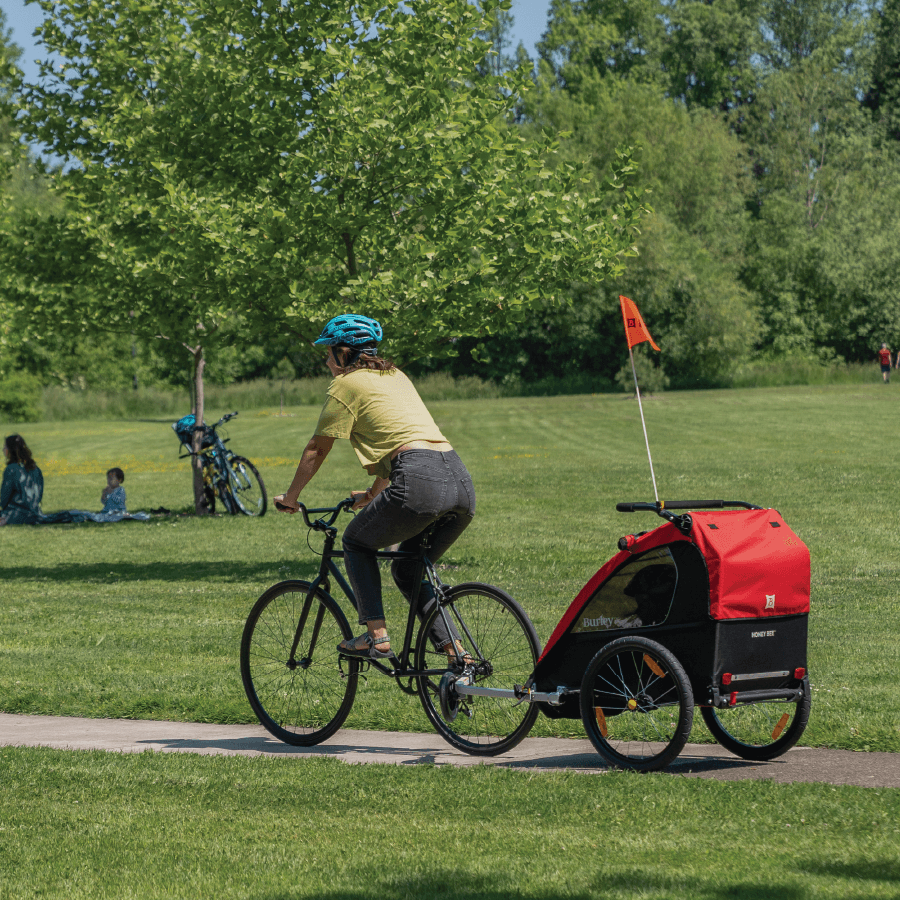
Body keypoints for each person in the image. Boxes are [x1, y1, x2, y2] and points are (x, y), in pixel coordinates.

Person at [274, 314, 476, 661]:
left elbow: (317, 447)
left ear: (342, 353)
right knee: (409, 567)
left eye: (328, 353)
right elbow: (402, 443)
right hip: (459, 481)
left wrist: (291, 498)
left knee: (355, 541)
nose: (326, 361)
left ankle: (376, 637)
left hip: (417, 480)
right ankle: (457, 653)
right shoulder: (395, 375)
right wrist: (371, 495)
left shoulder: (346, 385)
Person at [40, 467, 150, 524]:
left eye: (112, 478)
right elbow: (105, 502)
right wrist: (104, 495)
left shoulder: (121, 490)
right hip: (107, 512)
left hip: (117, 512)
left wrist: (111, 493)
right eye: (108, 478)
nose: (109, 481)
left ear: (119, 480)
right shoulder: (109, 490)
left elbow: (119, 501)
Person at [0, 434, 44, 526]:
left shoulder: (11, 469)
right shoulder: (36, 468)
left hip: (16, 514)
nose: (3, 449)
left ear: (10, 450)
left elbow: (4, 498)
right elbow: (39, 495)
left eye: (5, 446)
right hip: (36, 513)